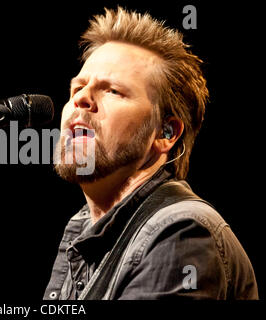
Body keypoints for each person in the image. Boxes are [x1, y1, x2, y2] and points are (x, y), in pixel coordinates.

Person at [44, 6, 258, 300]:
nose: (81, 99)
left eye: (112, 91)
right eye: (78, 87)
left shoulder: (181, 232)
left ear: (164, 133)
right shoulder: (83, 227)